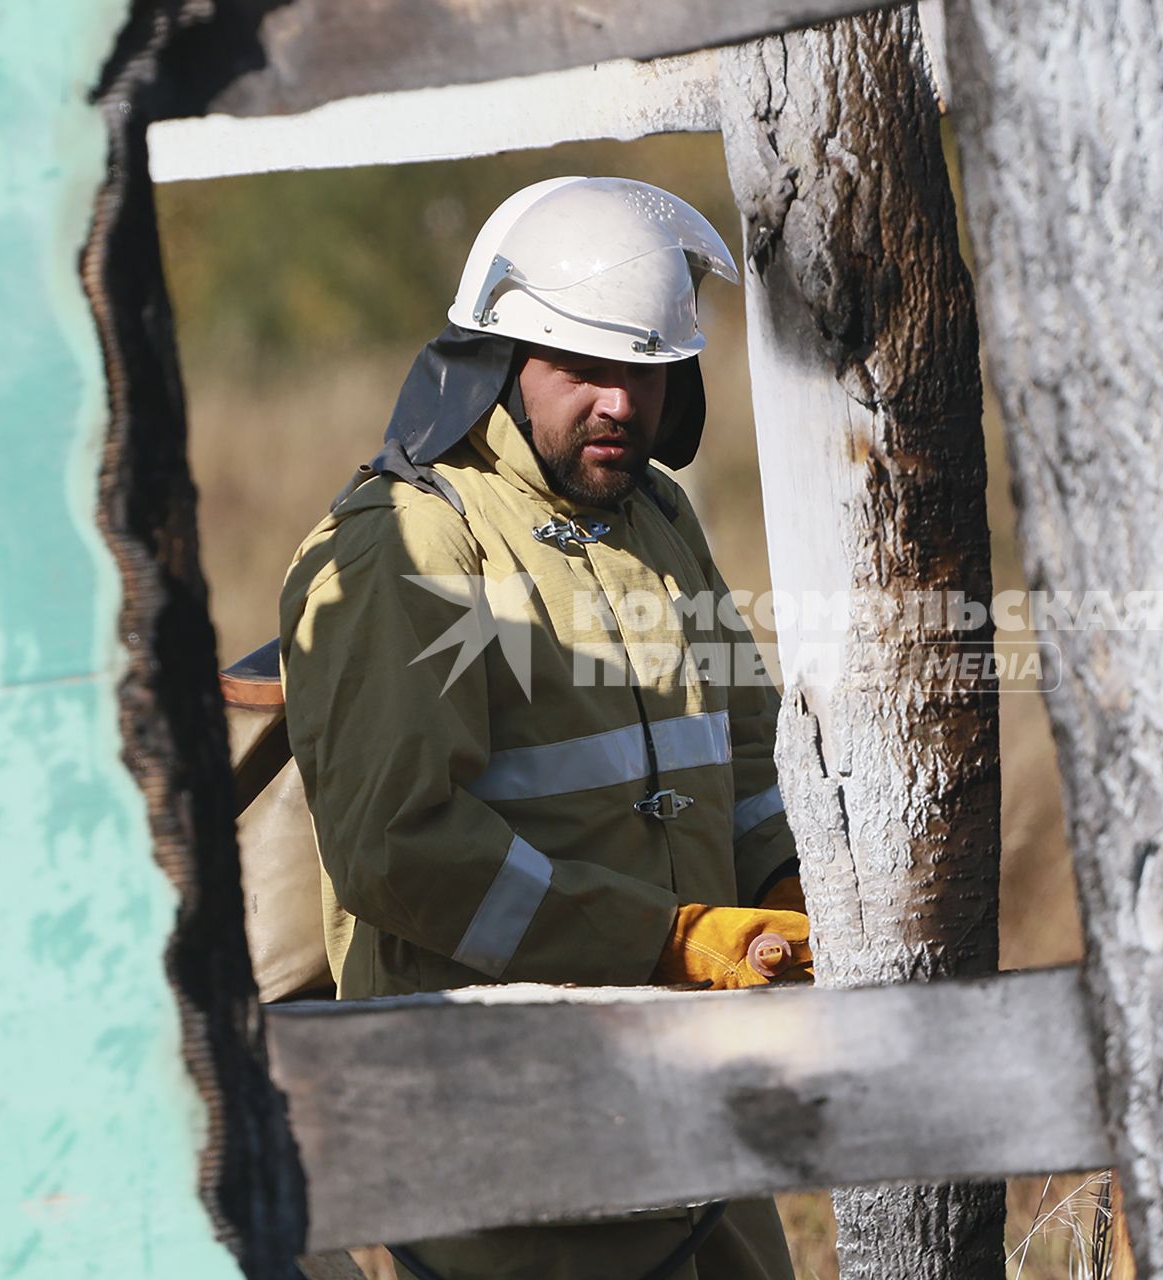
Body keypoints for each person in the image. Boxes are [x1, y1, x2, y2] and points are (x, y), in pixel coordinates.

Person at [280, 176, 808, 1280]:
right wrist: (666, 940)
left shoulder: (660, 520)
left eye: (648, 370)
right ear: (502, 361)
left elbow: (753, 752)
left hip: (704, 1135)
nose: (623, 402)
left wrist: (791, 891)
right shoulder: (409, 547)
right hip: (503, 1161)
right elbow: (402, 845)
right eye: (585, 368)